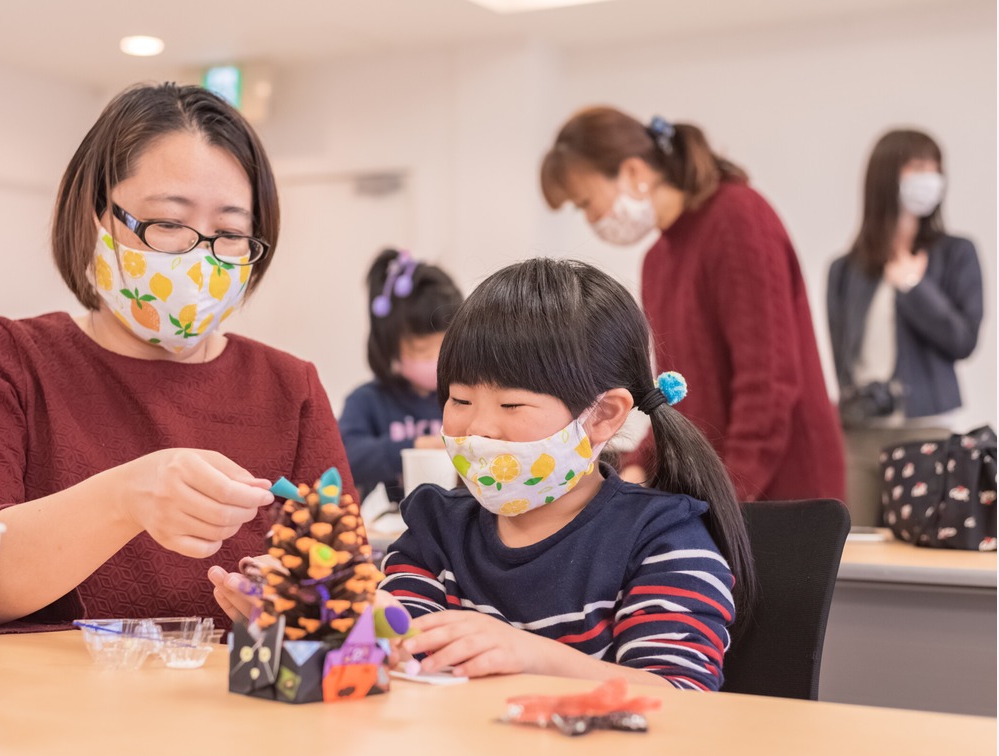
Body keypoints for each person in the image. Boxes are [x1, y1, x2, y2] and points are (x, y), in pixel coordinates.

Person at [0, 83, 352, 632]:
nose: (200, 259)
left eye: (232, 233)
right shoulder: (9, 360)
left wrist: (300, 604)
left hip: (232, 712)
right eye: (169, 224)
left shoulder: (290, 387)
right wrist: (123, 499)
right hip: (43, 710)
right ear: (95, 217)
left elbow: (346, 580)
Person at [380, 259, 755, 691]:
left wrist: (530, 655)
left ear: (603, 415)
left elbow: (683, 696)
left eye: (511, 405)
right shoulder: (435, 529)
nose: (477, 427)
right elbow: (404, 660)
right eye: (460, 400)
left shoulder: (661, 539)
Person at [541, 108, 845, 504]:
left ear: (633, 172)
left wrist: (730, 497)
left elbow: (768, 383)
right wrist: (637, 467)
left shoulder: (738, 217)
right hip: (717, 488)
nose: (590, 218)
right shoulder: (658, 259)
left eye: (585, 202)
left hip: (780, 490)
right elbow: (675, 393)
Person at [827, 129, 984, 525]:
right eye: (917, 167)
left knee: (919, 547)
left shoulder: (955, 254)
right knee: (851, 548)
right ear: (886, 176)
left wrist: (914, 287)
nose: (929, 178)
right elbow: (841, 355)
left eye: (935, 168)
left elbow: (962, 340)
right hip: (859, 432)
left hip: (924, 432)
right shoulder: (846, 270)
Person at [339, 249, 463, 503]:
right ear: (390, 346)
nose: (439, 360)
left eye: (447, 345)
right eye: (423, 351)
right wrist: (413, 447)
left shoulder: (466, 396)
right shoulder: (367, 401)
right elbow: (344, 456)